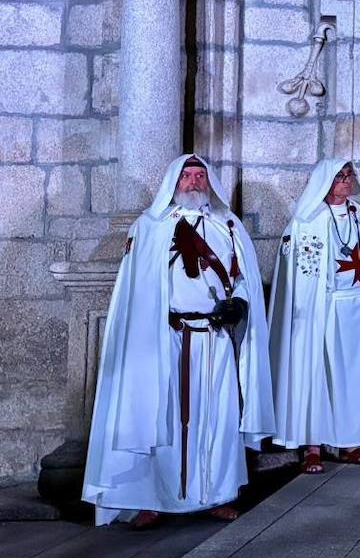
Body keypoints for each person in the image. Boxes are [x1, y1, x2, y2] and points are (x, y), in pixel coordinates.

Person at [83, 155, 274, 528]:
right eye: (186, 176)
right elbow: (135, 290)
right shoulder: (151, 227)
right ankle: (153, 499)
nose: (193, 182)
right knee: (160, 417)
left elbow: (243, 280)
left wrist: (239, 304)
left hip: (214, 340)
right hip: (164, 338)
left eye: (200, 175)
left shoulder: (229, 226)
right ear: (173, 182)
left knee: (217, 417)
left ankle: (216, 495)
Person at [268, 159, 360, 473]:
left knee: (357, 373)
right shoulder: (306, 222)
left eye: (350, 175)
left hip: (359, 307)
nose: (346, 181)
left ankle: (352, 443)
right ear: (324, 181)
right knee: (318, 373)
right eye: (340, 176)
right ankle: (313, 446)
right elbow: (295, 276)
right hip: (322, 309)